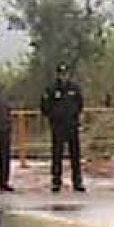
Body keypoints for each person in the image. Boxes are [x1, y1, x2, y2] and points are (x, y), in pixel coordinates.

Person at [39, 63, 85, 192]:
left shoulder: (75, 88)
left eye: (65, 73)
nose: (63, 76)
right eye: (61, 73)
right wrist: (54, 118)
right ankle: (56, 181)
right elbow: (45, 107)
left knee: (75, 154)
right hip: (58, 127)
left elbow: (80, 104)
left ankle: (77, 181)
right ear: (57, 74)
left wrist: (74, 116)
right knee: (57, 155)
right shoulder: (51, 89)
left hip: (72, 126)